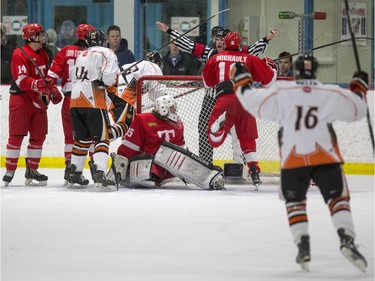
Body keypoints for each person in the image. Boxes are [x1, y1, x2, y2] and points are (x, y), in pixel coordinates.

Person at [231, 55, 368, 272]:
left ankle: (302, 245)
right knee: (338, 199)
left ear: (295, 72)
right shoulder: (329, 93)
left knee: (295, 203)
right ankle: (347, 239)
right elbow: (357, 110)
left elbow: (251, 101)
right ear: (315, 72)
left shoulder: (282, 94)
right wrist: (359, 85)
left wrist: (241, 78)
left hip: (292, 159)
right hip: (326, 157)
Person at [156, 21, 280, 166]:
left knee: (238, 133)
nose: (220, 41)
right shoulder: (209, 53)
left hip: (232, 99)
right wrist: (170, 31)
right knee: (204, 129)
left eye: (223, 39)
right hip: (213, 98)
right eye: (218, 39)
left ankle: (243, 164)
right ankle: (206, 163)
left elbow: (255, 48)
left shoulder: (240, 53)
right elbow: (188, 45)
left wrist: (267, 38)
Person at [203, 32, 277, 188]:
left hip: (225, 99)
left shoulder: (216, 58)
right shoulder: (249, 58)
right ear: (239, 44)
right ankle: (254, 171)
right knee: (247, 138)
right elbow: (269, 80)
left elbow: (207, 83)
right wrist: (269, 65)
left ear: (225, 43)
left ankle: (222, 128)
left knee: (212, 136)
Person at [107, 95, 224, 190]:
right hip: (145, 166)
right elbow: (130, 147)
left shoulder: (177, 124)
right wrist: (122, 164)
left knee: (181, 158)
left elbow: (181, 151)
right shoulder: (143, 119)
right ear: (163, 109)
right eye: (172, 108)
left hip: (166, 169)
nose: (175, 110)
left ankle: (209, 175)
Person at [2, 23, 62, 187]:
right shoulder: (19, 53)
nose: (43, 37)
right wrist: (37, 86)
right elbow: (21, 79)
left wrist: (52, 89)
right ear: (31, 37)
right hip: (21, 99)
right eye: (40, 34)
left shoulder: (44, 54)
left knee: (39, 136)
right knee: (16, 135)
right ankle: (10, 169)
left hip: (39, 100)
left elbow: (47, 77)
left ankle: (32, 169)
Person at [67, 29, 119, 191]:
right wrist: (113, 79)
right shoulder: (107, 52)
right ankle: (100, 173)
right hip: (93, 101)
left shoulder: (81, 54)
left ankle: (74, 172)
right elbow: (109, 79)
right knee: (102, 139)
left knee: (82, 139)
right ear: (103, 41)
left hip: (75, 100)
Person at [47, 23, 96, 184]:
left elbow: (51, 75)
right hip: (89, 99)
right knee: (93, 136)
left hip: (69, 99)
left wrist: (50, 89)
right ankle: (96, 168)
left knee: (70, 138)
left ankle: (70, 168)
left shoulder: (65, 51)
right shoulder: (95, 53)